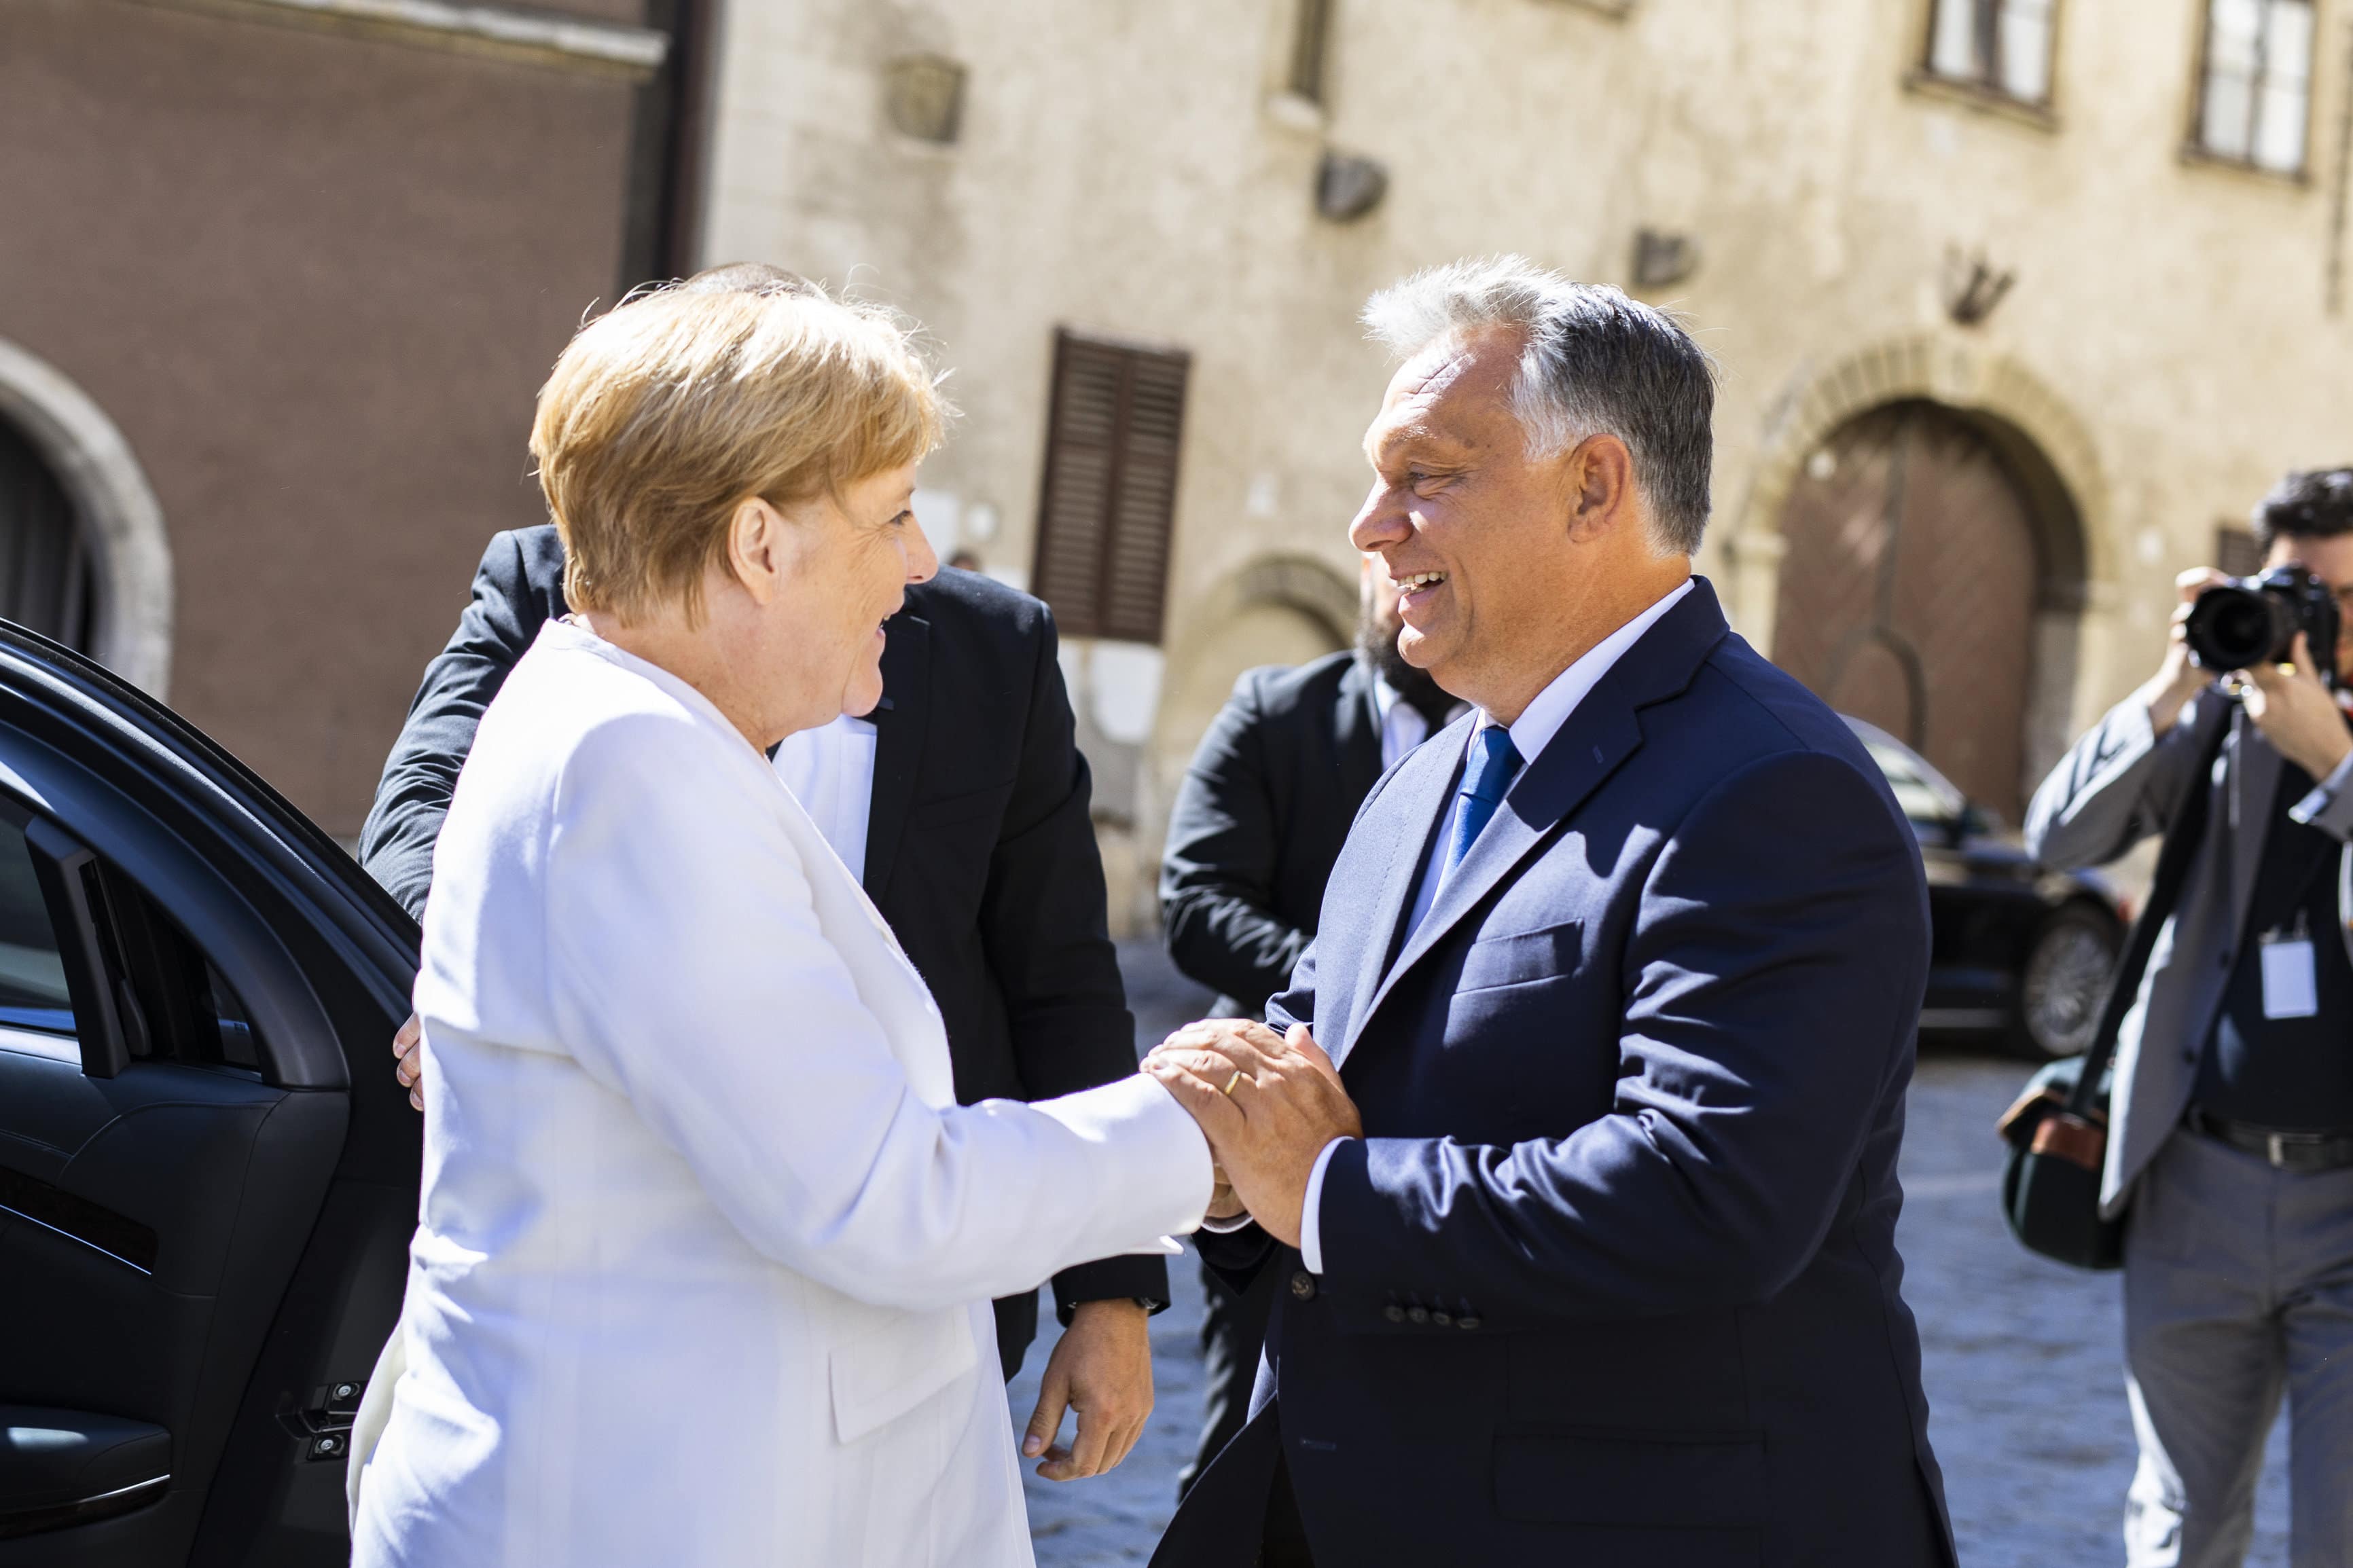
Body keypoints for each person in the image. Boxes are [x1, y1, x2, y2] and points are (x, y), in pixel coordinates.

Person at [348, 278, 1216, 1567]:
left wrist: (1109, 1287)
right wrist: (1206, 1134)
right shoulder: (633, 769)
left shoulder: (642, 728)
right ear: (760, 545)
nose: (923, 562)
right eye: (892, 515)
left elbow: (1051, 974)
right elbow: (878, 1193)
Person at [1140, 256, 1955, 1566]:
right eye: (1377, 476)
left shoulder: (1776, 787)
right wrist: (1232, 1147)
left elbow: (1712, 1194)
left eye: (1427, 477)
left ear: (1594, 486)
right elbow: (1313, 1073)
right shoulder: (1425, 781)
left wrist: (1331, 1188)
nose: (1369, 524)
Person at [2025, 469, 2353, 1568]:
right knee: (2180, 1526)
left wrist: (2339, 761)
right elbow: (2057, 839)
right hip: (2198, 1186)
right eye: (2300, 589)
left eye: (2346, 596)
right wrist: (2173, 683)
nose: (2319, 617)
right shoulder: (2224, 712)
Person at [1157, 555, 1460, 1493]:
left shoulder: (1512, 736)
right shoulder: (1274, 710)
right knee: (1244, 1445)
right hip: (1265, 1143)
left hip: (1430, 1162)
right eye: (1386, 566)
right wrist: (1348, 989)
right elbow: (1196, 898)